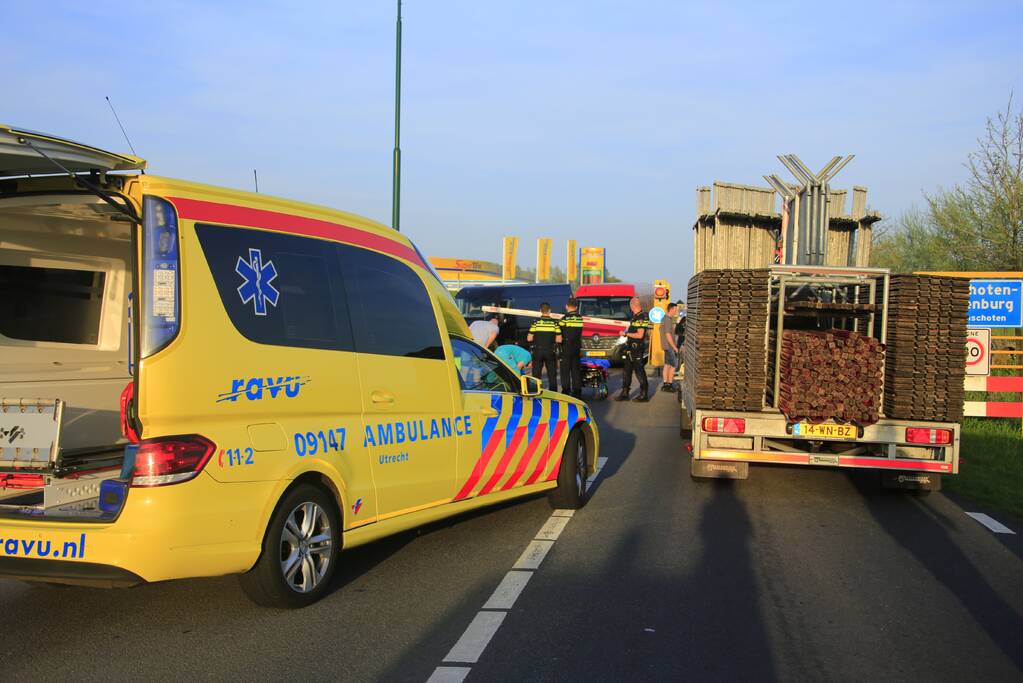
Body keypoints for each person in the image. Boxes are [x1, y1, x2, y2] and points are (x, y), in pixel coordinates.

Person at [615, 296, 652, 402]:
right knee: (626, 371)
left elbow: (640, 335)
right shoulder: (635, 317)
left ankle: (644, 394)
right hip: (630, 348)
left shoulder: (642, 317)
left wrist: (626, 333)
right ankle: (625, 393)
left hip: (637, 348)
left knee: (639, 371)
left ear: (632, 306)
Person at [527, 302, 561, 392]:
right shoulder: (555, 323)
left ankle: (535, 392)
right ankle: (553, 393)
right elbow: (559, 340)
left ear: (540, 311)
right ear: (549, 311)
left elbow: (529, 338)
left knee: (536, 374)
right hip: (550, 350)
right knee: (552, 374)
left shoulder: (535, 323)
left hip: (537, 350)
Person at [559, 297, 584, 398]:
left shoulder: (563, 319)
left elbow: (559, 333)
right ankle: (577, 392)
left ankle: (566, 391)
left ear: (566, 306)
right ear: (577, 307)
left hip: (566, 347)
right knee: (576, 370)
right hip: (577, 347)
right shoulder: (580, 318)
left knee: (565, 370)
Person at [660, 302, 680, 392]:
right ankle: (670, 384)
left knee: (667, 365)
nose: (677, 311)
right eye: (676, 310)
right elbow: (668, 334)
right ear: (671, 309)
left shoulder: (664, 318)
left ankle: (666, 384)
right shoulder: (667, 320)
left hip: (665, 346)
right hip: (669, 346)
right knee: (673, 365)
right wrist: (674, 347)